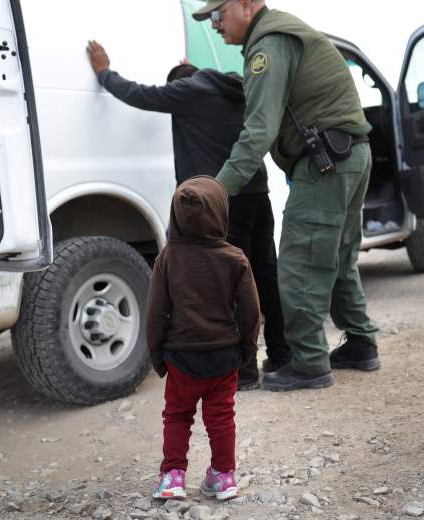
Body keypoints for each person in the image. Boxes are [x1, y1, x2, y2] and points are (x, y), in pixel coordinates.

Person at [192, 0, 380, 392]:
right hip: (349, 154)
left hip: (325, 162)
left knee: (300, 264)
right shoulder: (283, 32)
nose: (214, 25)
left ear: (246, 5)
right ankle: (361, 344)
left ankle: (310, 364)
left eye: (217, 15)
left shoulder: (268, 44)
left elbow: (258, 130)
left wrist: (218, 190)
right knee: (340, 256)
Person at [86, 40, 291, 390]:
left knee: (227, 283)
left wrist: (104, 72)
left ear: (181, 83)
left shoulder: (187, 92)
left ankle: (244, 371)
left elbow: (139, 94)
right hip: (257, 192)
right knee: (265, 275)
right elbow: (198, 82)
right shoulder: (231, 87)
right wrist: (191, 73)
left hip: (222, 200)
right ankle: (283, 355)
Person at [145, 176, 260, 501]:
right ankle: (223, 477)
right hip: (224, 355)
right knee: (221, 417)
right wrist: (246, 350)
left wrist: (157, 356)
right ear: (221, 212)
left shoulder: (168, 259)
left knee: (177, 416)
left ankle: (172, 478)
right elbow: (250, 311)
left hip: (181, 357)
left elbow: (155, 313)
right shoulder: (234, 258)